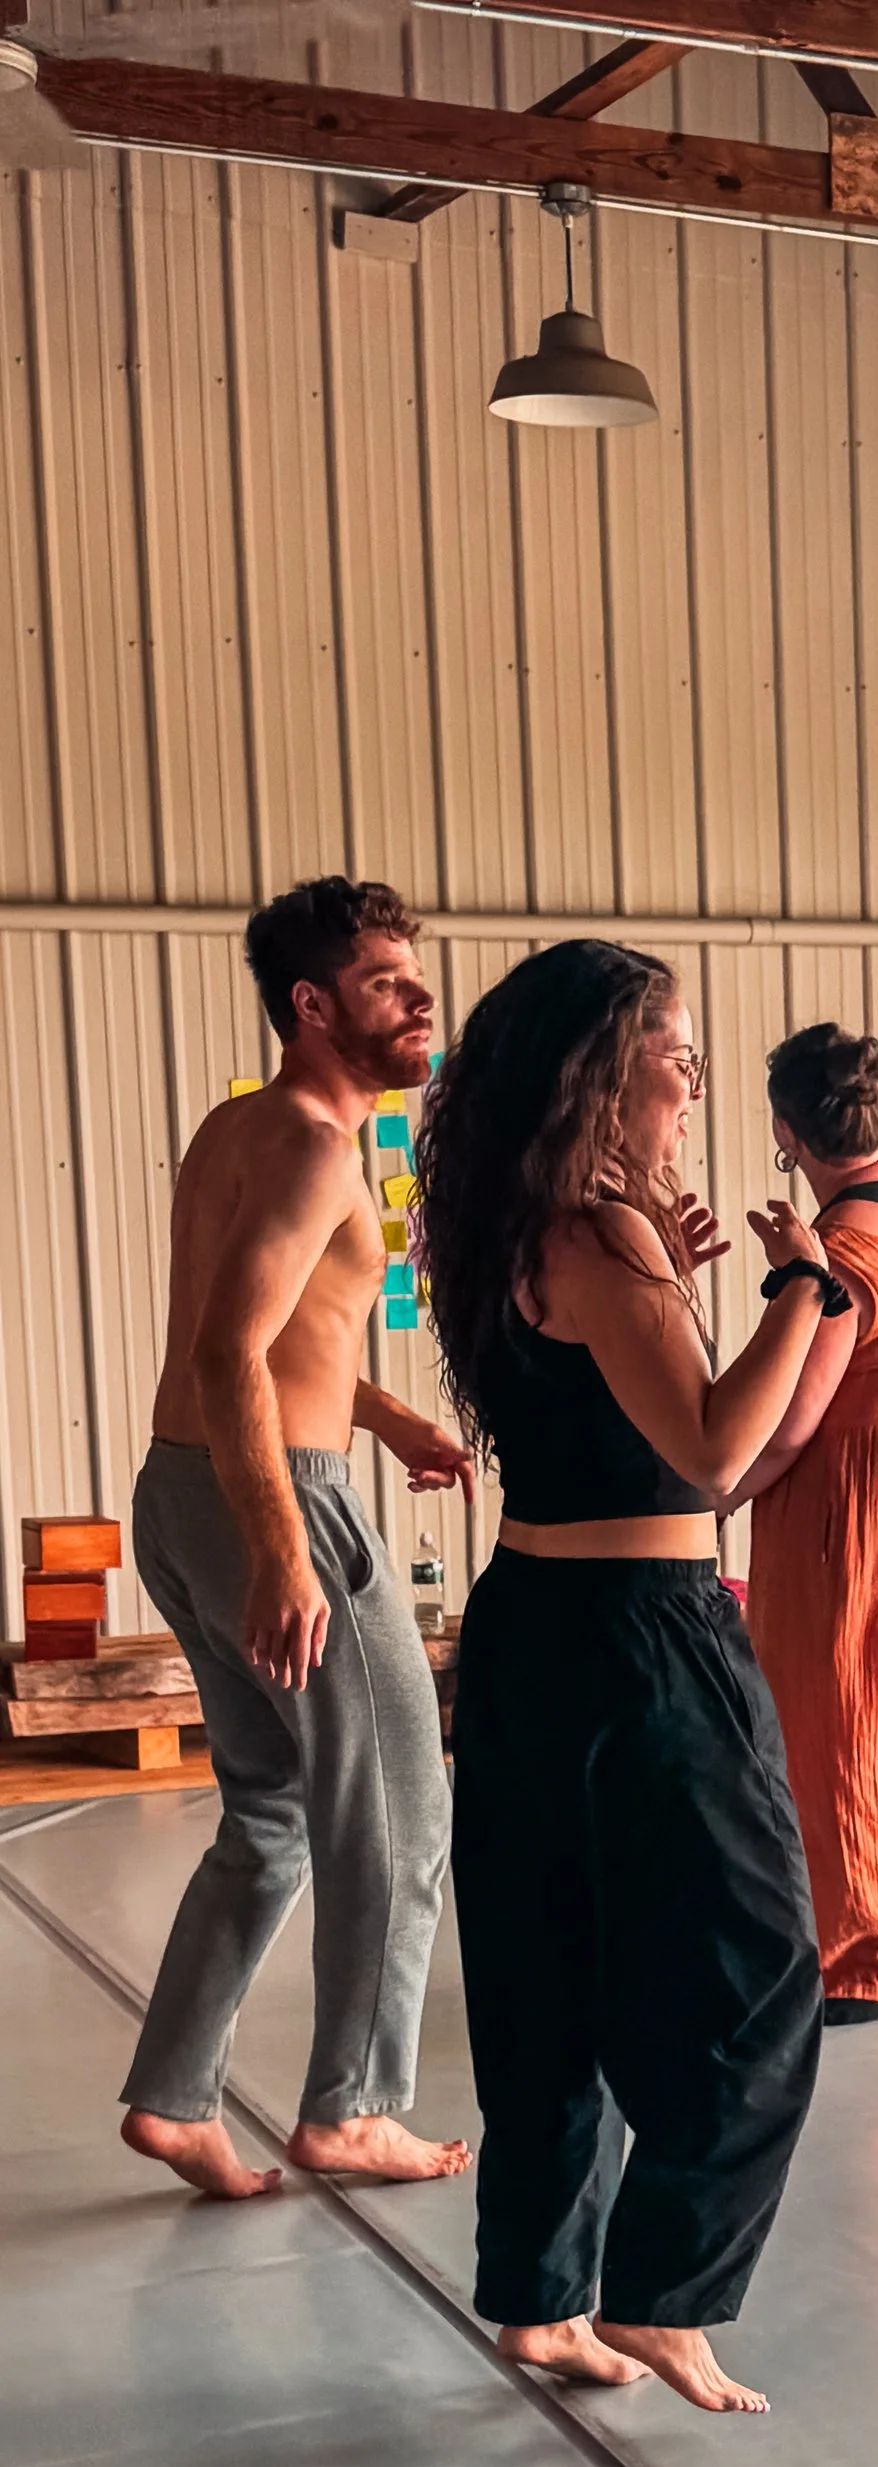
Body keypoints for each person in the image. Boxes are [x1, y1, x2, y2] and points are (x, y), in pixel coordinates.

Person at [415, 942, 830, 2414]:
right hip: (646, 1627)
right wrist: (801, 1285)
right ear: (607, 1065)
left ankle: (539, 2299)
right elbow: (717, 1456)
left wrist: (680, 1280)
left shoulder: (521, 1226)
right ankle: (665, 2289)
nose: (695, 1074)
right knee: (766, 1965)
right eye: (676, 1046)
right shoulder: (603, 1237)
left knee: (550, 1970)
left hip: (531, 1624)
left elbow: (621, 1405)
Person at [121, 877, 471, 2203]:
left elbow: (263, 1338)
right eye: (389, 980)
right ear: (315, 1005)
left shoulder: (247, 1127)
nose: (419, 999)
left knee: (269, 1814)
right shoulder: (322, 1147)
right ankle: (356, 2105)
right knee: (398, 1798)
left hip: (180, 1487)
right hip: (270, 1494)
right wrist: (285, 1548)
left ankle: (172, 2095)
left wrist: (380, 1414)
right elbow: (229, 1350)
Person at [729, 1023, 878, 2026]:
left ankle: (870, 1956)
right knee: (867, 1713)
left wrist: (711, 1489)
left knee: (835, 1717)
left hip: (842, 1501)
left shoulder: (844, 1257)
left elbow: (788, 1423)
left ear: (787, 1133)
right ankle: (850, 1930)